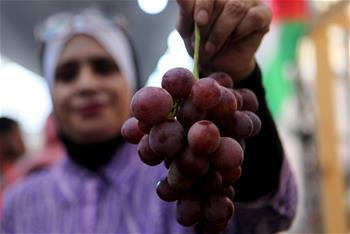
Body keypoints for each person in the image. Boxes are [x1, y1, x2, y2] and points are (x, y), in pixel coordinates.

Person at [0, 0, 298, 233]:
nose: (86, 84)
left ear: (132, 84)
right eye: (67, 75)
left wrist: (239, 76)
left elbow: (269, 216)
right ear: (52, 94)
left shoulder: (183, 175)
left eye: (104, 67)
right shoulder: (18, 204)